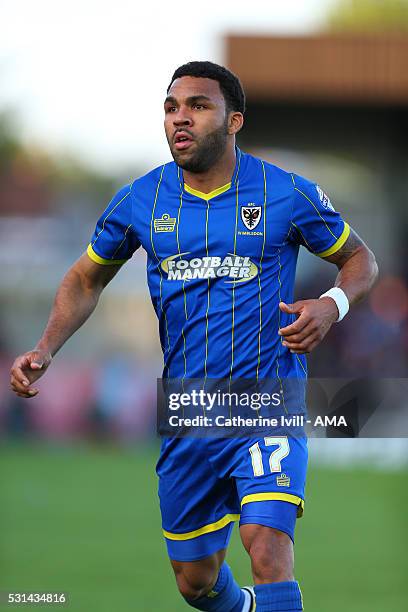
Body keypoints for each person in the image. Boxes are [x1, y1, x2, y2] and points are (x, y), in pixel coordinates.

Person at [10, 61, 378, 611]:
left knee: (267, 547)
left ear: (234, 121)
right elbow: (87, 276)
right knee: (195, 581)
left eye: (199, 106)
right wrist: (45, 347)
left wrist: (331, 304)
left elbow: (359, 260)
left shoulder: (285, 191)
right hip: (189, 412)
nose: (180, 119)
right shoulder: (140, 199)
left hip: (267, 403)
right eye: (171, 107)